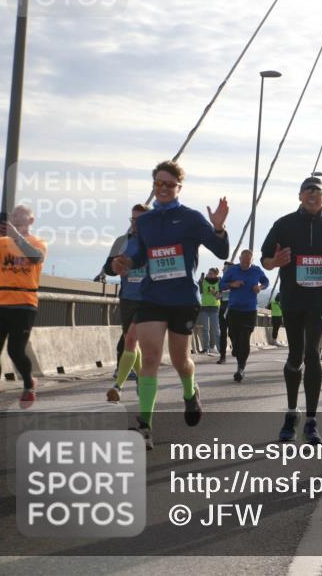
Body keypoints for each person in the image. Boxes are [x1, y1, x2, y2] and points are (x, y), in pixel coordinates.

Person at [112, 160, 229, 450]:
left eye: (169, 184)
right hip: (152, 297)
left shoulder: (190, 218)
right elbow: (139, 254)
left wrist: (217, 228)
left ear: (179, 187)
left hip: (183, 299)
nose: (163, 188)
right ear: (154, 186)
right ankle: (145, 425)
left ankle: (190, 392)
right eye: (158, 184)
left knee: (180, 361)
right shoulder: (147, 221)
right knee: (150, 358)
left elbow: (222, 250)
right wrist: (126, 261)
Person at [261, 175, 322, 444]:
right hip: (292, 297)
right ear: (299, 196)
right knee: (295, 354)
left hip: (319, 298)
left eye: (318, 191)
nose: (313, 194)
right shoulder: (284, 224)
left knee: (312, 352)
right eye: (308, 190)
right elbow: (265, 259)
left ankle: (311, 420)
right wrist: (274, 261)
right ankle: (291, 413)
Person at [0, 205, 47, 411]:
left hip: (24, 302)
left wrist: (16, 236)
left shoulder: (38, 242)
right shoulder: (3, 242)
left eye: (20, 215)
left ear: (31, 221)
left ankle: (28, 382)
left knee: (15, 349)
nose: (15, 218)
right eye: (13, 215)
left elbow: (36, 258)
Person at [103, 204, 150, 402]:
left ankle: (118, 387)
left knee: (130, 340)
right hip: (127, 298)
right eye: (133, 219)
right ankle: (141, 380)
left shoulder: (155, 242)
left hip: (148, 299)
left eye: (140, 220)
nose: (135, 223)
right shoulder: (122, 242)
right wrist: (115, 266)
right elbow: (108, 268)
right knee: (133, 343)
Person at [221, 250, 269, 382]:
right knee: (233, 335)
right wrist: (232, 284)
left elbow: (266, 282)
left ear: (252, 261)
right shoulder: (232, 270)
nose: (246, 263)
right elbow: (221, 284)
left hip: (250, 310)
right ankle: (235, 348)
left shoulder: (256, 270)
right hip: (234, 309)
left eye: (248, 261)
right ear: (239, 258)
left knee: (245, 338)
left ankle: (240, 369)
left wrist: (260, 287)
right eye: (243, 261)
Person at [198, 267, 221, 354]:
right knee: (205, 329)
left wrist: (214, 292)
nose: (209, 274)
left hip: (214, 308)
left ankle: (220, 348)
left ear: (215, 275)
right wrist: (200, 281)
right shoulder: (204, 281)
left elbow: (220, 294)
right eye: (208, 273)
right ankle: (205, 348)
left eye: (211, 273)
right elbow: (200, 291)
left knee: (216, 329)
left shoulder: (219, 282)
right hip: (204, 307)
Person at [216, 261, 233, 364]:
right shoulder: (220, 281)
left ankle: (235, 348)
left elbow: (234, 290)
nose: (222, 270)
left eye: (225, 268)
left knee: (232, 333)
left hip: (233, 309)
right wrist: (217, 295)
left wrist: (222, 293)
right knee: (223, 333)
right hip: (222, 308)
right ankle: (222, 357)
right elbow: (219, 294)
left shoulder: (236, 280)